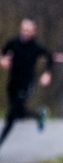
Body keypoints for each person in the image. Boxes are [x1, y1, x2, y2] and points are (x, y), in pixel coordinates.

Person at [0, 18, 53, 149]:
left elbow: (50, 57)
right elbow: (3, 53)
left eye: (29, 30)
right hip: (13, 83)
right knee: (18, 113)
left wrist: (47, 73)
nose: (26, 33)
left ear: (33, 32)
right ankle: (38, 115)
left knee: (11, 115)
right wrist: (3, 60)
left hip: (27, 83)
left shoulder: (36, 47)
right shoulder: (13, 43)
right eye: (24, 29)